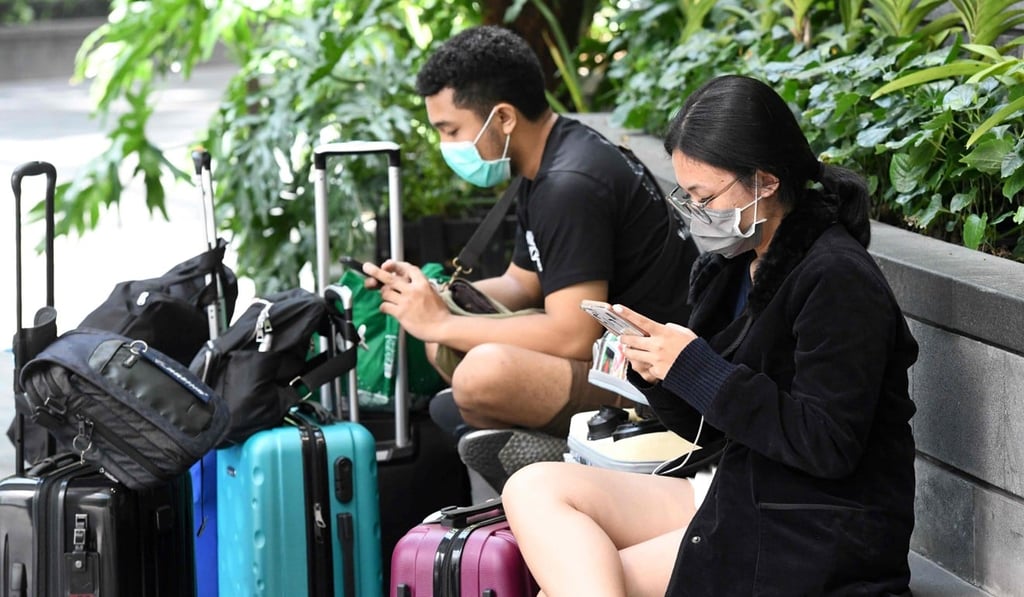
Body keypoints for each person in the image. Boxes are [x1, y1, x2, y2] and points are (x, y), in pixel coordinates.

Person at [502, 74, 920, 596]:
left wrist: (697, 368)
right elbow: (708, 428)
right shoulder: (730, 267)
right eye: (687, 196)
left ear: (766, 181)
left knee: (572, 585)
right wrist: (658, 370)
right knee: (534, 485)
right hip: (741, 487)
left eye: (704, 196)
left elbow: (828, 444)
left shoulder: (837, 277)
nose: (697, 213)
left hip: (815, 522)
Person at [361, 25, 699, 491]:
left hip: (651, 379)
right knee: (450, 356)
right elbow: (524, 282)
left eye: (451, 130)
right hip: (610, 356)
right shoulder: (548, 162)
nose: (447, 146)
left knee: (480, 374)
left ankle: (572, 459)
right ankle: (548, 445)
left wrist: (440, 322)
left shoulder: (569, 183)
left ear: (502, 118)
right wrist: (431, 294)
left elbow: (572, 335)